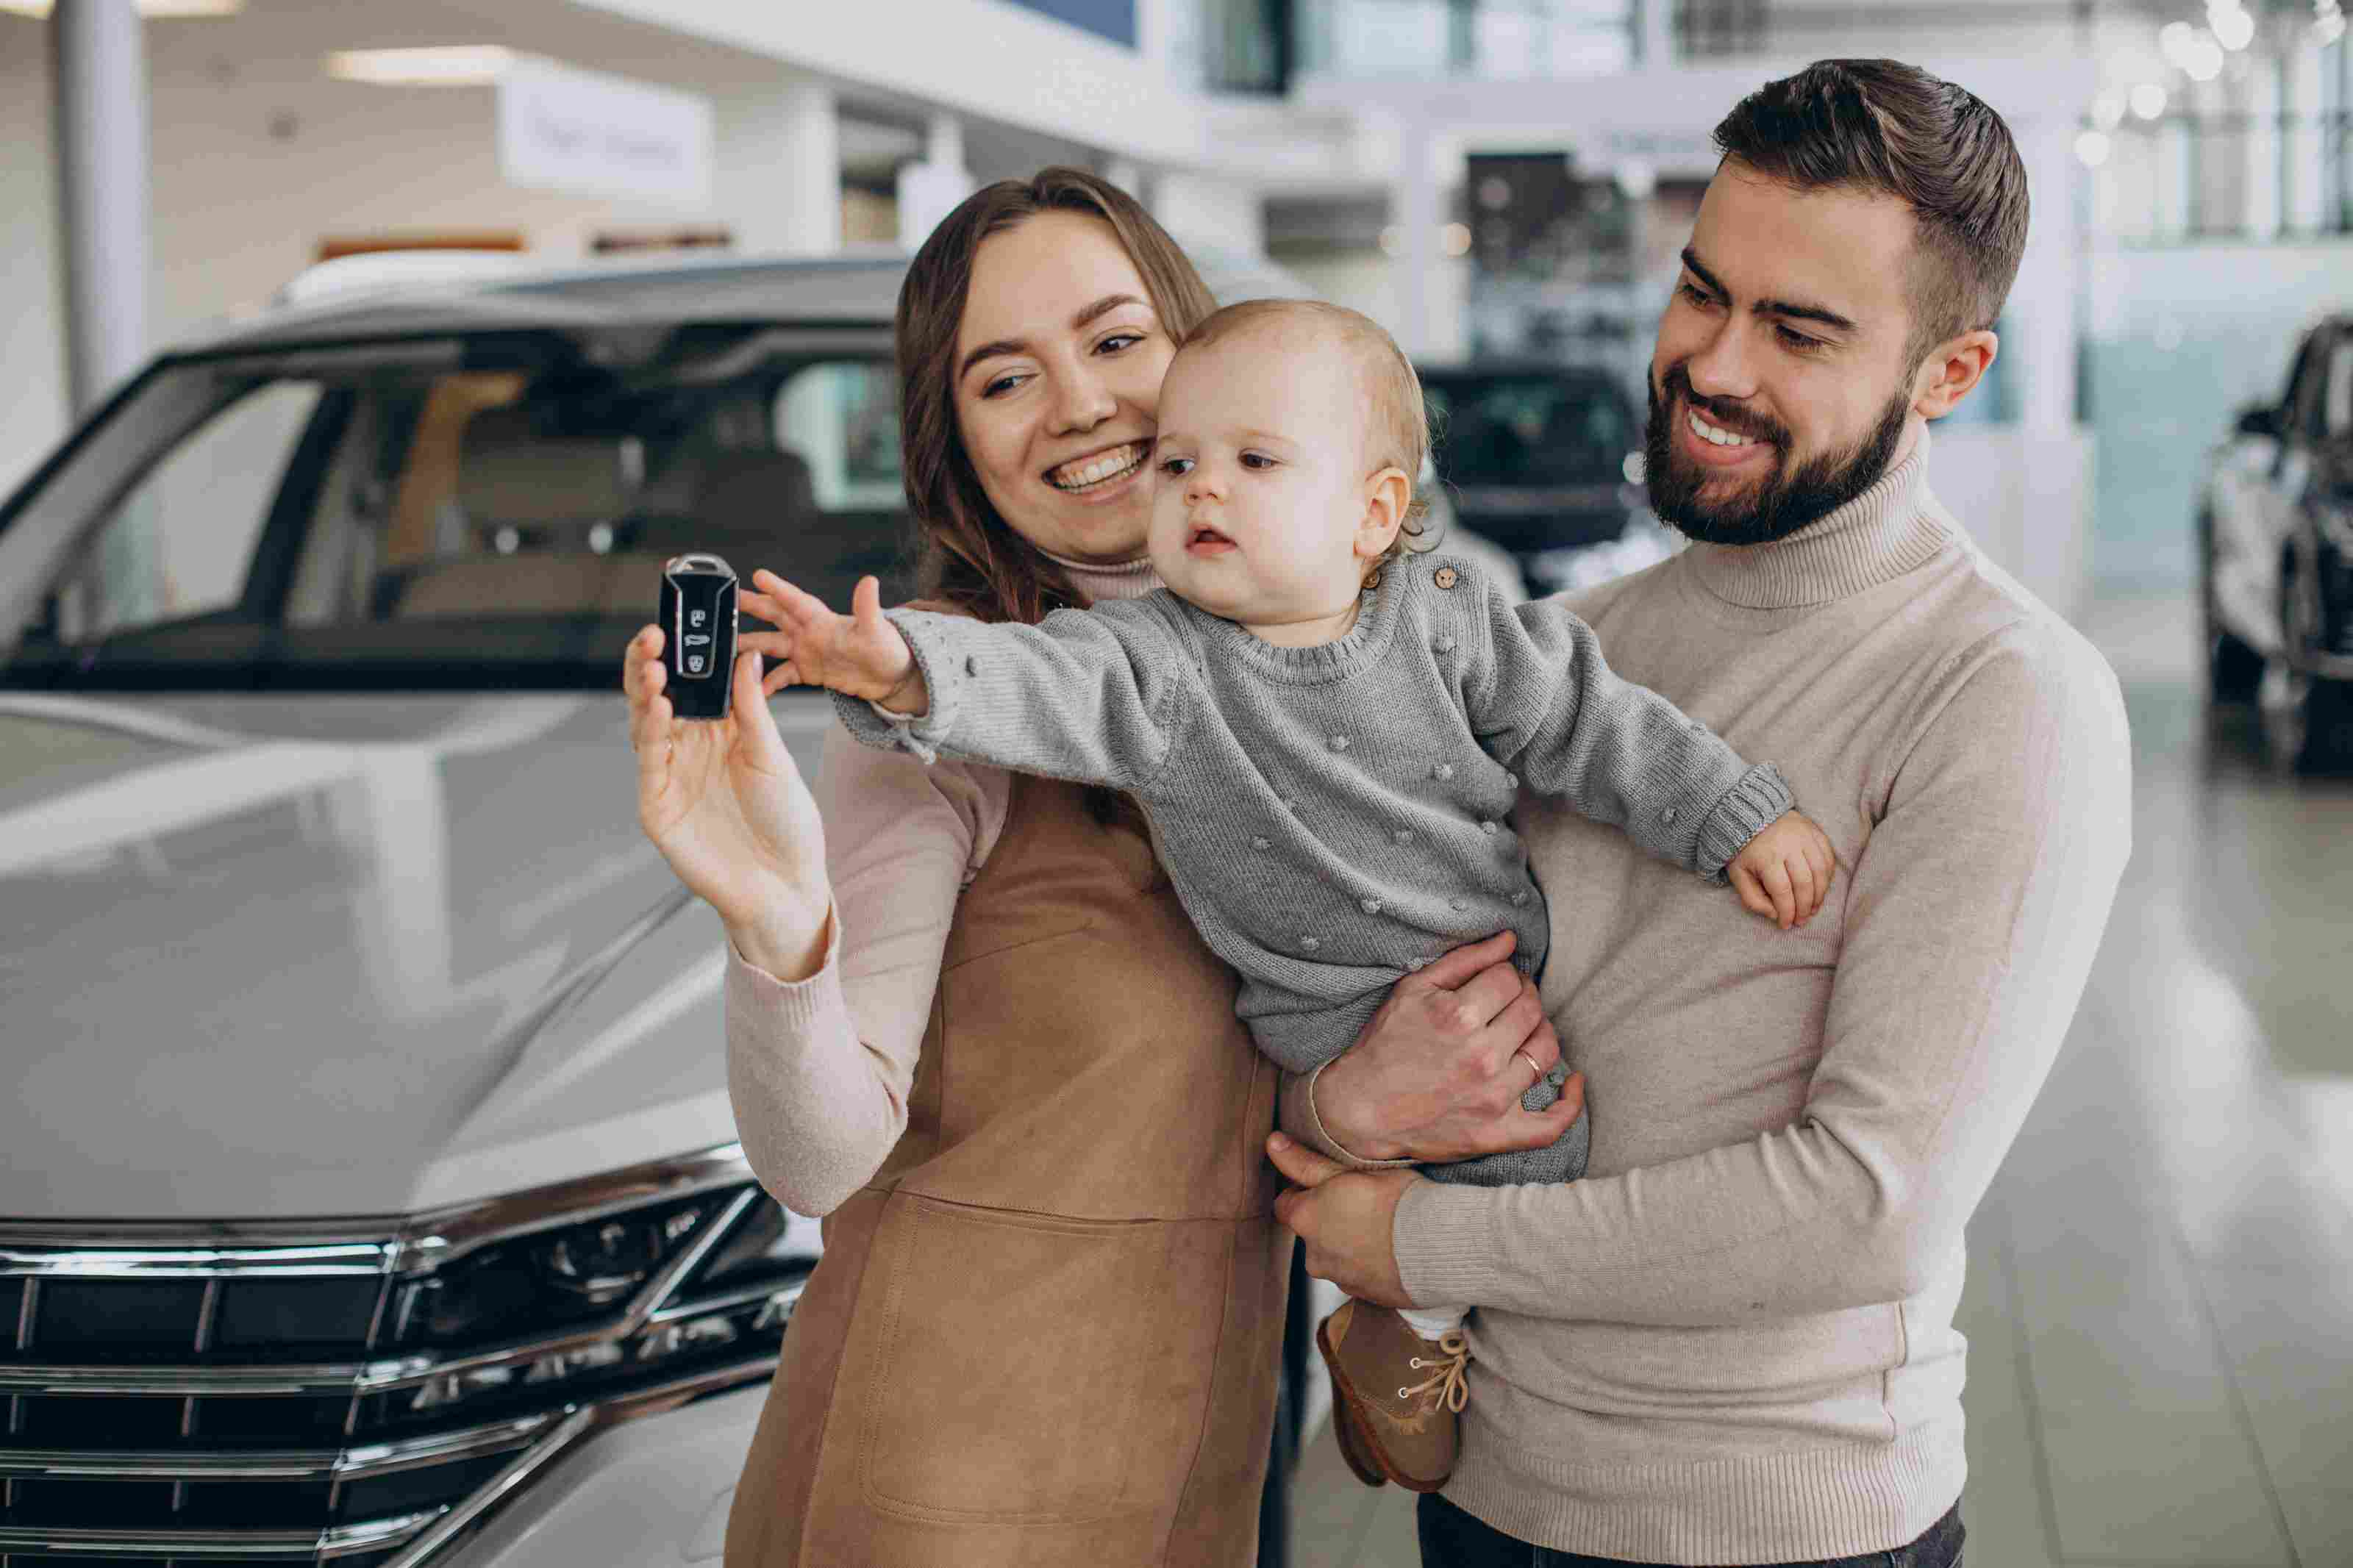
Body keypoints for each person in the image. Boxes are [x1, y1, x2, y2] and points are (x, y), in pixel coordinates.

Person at [1260, 59, 2133, 1568]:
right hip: (1482, 1493)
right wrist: (1342, 1103)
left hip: (1780, 1525)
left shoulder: (2004, 695)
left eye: (1797, 330)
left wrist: (1414, 1240)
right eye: (1700, 292)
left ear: (1948, 371)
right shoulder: (1564, 645)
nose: (1713, 364)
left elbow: (1869, 1206)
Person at [743, 296, 1837, 1492]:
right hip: (1319, 1012)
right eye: (1178, 464)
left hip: (1488, 977)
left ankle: (1411, 1330)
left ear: (1374, 514)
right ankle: (1408, 1328)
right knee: (1454, 1183)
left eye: (1255, 462)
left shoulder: (1450, 615)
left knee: (1544, 1142)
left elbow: (1593, 719)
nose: (1202, 490)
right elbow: (1032, 678)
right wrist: (898, 667)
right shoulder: (1155, 660)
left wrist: (1733, 811)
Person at [624, 169, 1335, 1566]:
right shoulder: (933, 705)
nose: (1080, 403)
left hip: (1202, 1447)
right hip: (948, 1479)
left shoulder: (1326, 678)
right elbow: (822, 1157)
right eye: (1006, 378)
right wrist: (779, 924)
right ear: (957, 445)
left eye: (1118, 342)